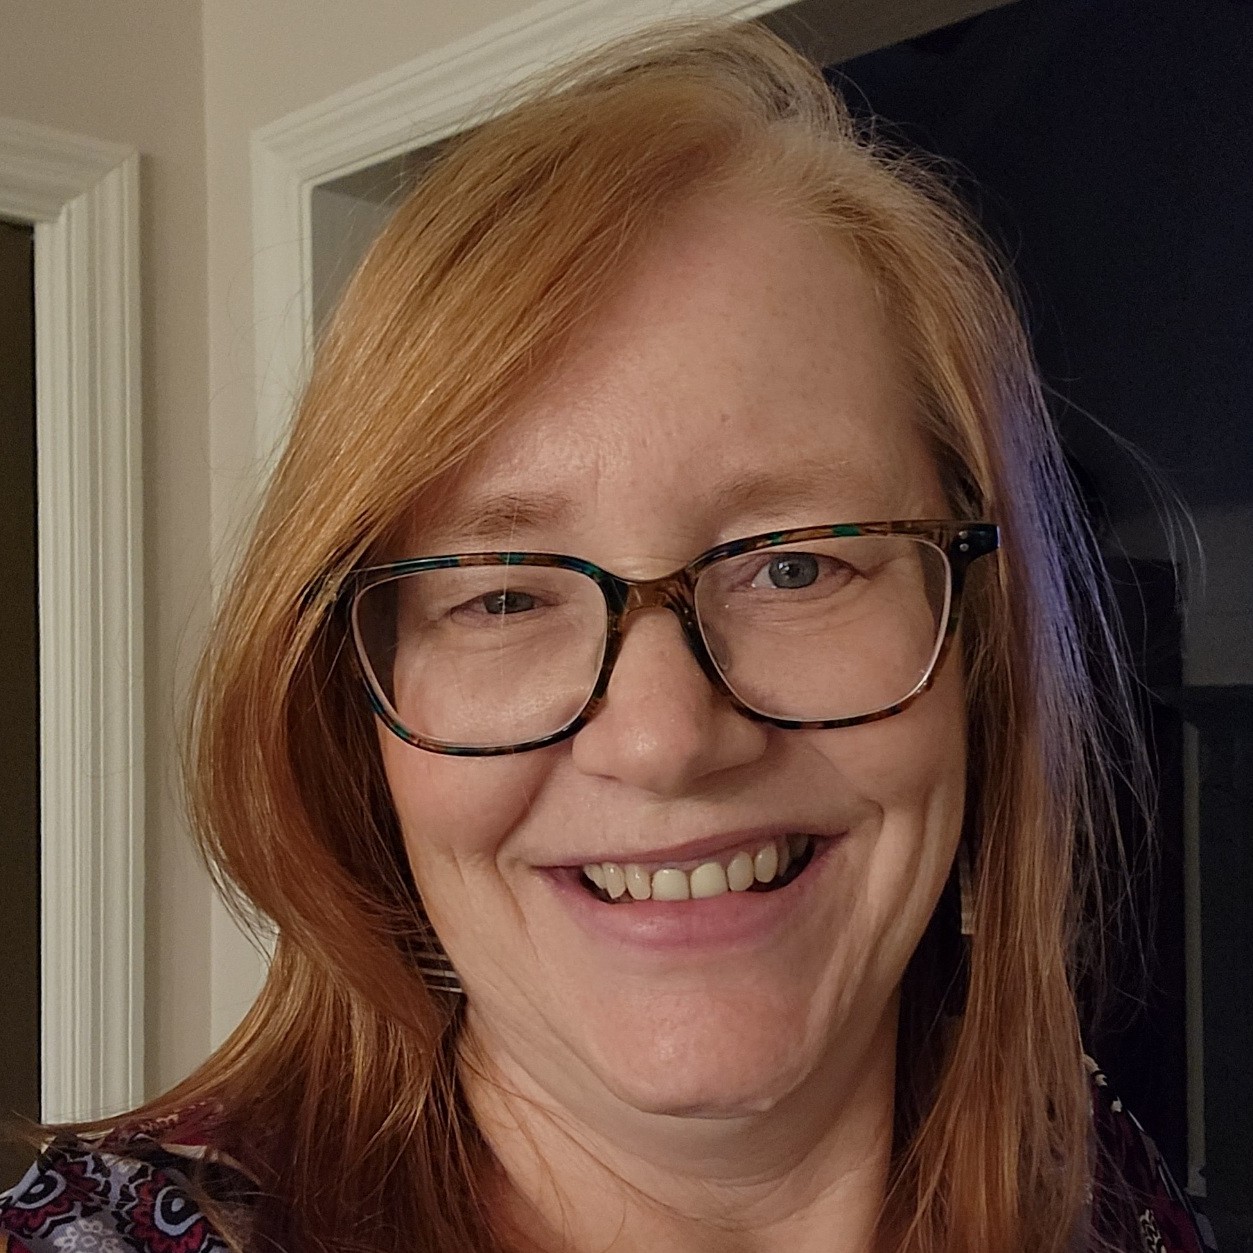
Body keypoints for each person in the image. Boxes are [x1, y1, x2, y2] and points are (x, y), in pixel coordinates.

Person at [0, 20, 1216, 1253]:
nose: (662, 739)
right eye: (503, 597)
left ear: (978, 658)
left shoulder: (1102, 1192)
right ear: (356, 719)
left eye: (793, 564)